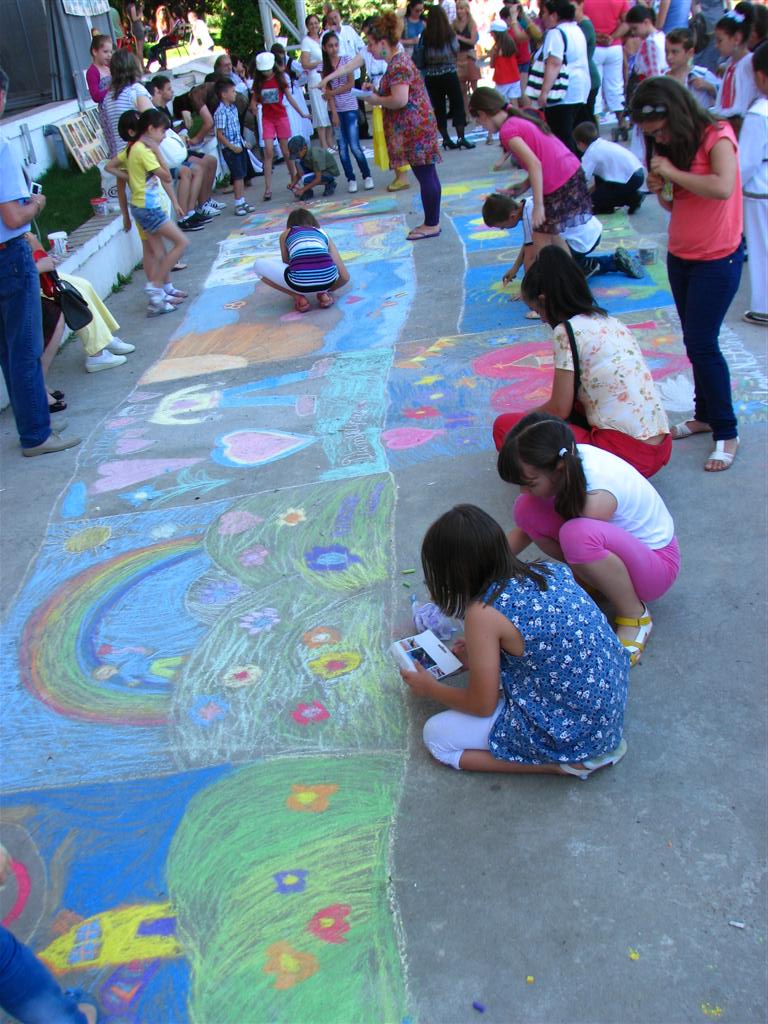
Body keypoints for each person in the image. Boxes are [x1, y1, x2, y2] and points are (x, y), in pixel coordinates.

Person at [401, 504, 630, 777]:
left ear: (453, 573)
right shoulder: (547, 570)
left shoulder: (482, 613)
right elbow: (540, 642)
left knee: (436, 737)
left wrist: (431, 689)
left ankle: (566, 765)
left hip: (575, 731)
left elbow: (482, 705)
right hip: (605, 707)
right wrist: (479, 656)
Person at [498, 413, 680, 665]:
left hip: (657, 569)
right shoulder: (568, 459)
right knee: (525, 508)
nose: (523, 490)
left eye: (530, 483)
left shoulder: (596, 496)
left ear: (558, 469)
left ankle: (635, 615)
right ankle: (596, 581)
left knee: (576, 536)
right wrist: (486, 562)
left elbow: (578, 536)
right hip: (629, 555)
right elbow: (526, 528)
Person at [631, 76, 743, 472]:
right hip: (681, 255)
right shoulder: (670, 147)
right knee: (694, 342)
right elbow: (673, 204)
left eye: (660, 130)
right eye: (651, 135)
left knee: (703, 343)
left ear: (676, 113)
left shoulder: (716, 134)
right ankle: (704, 415)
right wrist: (660, 186)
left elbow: (723, 187)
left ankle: (727, 430)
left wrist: (672, 173)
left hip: (718, 258)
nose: (657, 138)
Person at [493, 245, 671, 476]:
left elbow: (559, 408)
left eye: (536, 309)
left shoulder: (566, 331)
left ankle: (569, 485)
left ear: (544, 300)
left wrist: (524, 419)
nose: (541, 320)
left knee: (506, 427)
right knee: (575, 404)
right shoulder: (611, 322)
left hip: (625, 455)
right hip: (660, 449)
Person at [0, 68, 80, 457]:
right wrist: (37, 204)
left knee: (9, 349)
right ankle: (36, 433)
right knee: (25, 348)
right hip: (8, 255)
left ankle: (34, 422)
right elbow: (13, 216)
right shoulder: (1, 146)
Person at [469, 87, 592, 258]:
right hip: (569, 174)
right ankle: (571, 273)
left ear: (483, 114)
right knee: (552, 236)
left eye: (479, 122)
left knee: (541, 242)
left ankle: (551, 275)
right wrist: (523, 186)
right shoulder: (515, 119)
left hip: (560, 181)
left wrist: (538, 206)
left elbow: (534, 164)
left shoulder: (508, 130)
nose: (483, 126)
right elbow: (542, 159)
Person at [362, 13, 443, 241]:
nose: (369, 49)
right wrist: (377, 92)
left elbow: (400, 100)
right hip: (417, 127)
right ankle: (432, 222)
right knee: (427, 175)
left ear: (383, 43)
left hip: (415, 129)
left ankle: (432, 224)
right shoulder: (397, 62)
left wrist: (376, 100)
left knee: (426, 176)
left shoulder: (398, 64)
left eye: (371, 43)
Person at [483, 193, 645, 293]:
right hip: (590, 230)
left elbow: (530, 258)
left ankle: (603, 264)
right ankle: (589, 264)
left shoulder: (530, 214)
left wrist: (528, 290)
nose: (503, 229)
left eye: (502, 226)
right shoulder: (528, 204)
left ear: (512, 216)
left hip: (582, 240)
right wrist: (515, 268)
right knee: (546, 256)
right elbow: (528, 244)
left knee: (558, 274)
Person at [27, 233, 134, 373]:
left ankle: (104, 338)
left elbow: (37, 251)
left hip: (36, 277)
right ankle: (96, 354)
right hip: (25, 287)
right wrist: (40, 266)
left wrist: (36, 245)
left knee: (84, 285)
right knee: (73, 294)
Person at [117, 108, 189, 316]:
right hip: (148, 209)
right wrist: (157, 151)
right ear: (150, 129)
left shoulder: (134, 149)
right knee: (181, 242)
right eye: (162, 131)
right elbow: (166, 176)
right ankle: (156, 287)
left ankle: (157, 299)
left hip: (142, 207)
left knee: (159, 252)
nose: (164, 136)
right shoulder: (143, 150)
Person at [149, 75, 224, 224]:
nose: (172, 92)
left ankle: (204, 202)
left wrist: (182, 129)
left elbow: (169, 132)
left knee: (211, 161)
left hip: (177, 150)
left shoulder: (165, 109)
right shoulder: (154, 113)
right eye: (168, 89)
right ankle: (189, 212)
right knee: (196, 169)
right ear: (158, 91)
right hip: (170, 156)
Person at [253, 207, 350, 313]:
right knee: (323, 269)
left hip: (299, 284)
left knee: (258, 265)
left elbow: (286, 264)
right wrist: (326, 288)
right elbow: (345, 277)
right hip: (328, 280)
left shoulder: (286, 233)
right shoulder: (323, 233)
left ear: (290, 224)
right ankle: (323, 294)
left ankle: (298, 297)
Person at [531, 0, 591, 151]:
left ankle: (570, 165)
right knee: (575, 135)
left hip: (562, 92)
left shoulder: (555, 33)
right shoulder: (576, 29)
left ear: (554, 15)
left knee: (563, 138)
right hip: (580, 88)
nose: (542, 17)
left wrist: (544, 92)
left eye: (545, 13)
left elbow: (554, 63)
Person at [322, 31, 374, 192]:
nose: (334, 49)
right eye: (330, 46)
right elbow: (327, 92)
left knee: (354, 145)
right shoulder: (323, 66)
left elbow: (350, 84)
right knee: (342, 147)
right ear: (324, 48)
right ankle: (350, 178)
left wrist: (332, 92)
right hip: (335, 110)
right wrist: (334, 112)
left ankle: (367, 175)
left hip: (350, 107)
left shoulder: (346, 61)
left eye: (336, 45)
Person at [739, 39, 768, 326]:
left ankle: (765, 306)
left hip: (761, 189)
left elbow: (746, 162)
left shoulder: (759, 112)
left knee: (762, 249)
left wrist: (732, 185)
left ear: (760, 76)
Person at [421, 5, 475, 150]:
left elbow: (421, 53)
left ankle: (445, 138)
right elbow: (455, 48)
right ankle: (461, 137)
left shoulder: (425, 34)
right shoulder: (449, 32)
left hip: (432, 75)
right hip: (449, 72)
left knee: (439, 107)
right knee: (457, 104)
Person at [250, 51, 301, 202]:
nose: (266, 73)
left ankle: (294, 180)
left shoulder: (280, 79)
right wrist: (253, 106)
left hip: (281, 117)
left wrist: (302, 113)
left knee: (286, 152)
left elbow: (289, 98)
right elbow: (254, 99)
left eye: (267, 69)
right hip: (268, 119)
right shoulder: (258, 83)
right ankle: (267, 188)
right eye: (263, 70)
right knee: (268, 152)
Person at [574, 119, 645, 212]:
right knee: (597, 184)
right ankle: (630, 196)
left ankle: (632, 198)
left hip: (630, 178)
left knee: (593, 201)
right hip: (637, 173)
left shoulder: (591, 153)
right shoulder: (602, 143)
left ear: (580, 144)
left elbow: (581, 179)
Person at [711, 8, 759, 131]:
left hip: (741, 126)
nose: (716, 45)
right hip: (726, 124)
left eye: (720, 40)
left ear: (736, 38)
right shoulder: (729, 64)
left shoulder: (750, 64)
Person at [583, 0, 630, 124]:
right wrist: (612, 37)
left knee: (594, 88)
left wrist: (597, 37)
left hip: (593, 47)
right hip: (614, 47)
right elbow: (628, 22)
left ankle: (595, 125)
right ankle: (622, 122)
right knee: (615, 87)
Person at [214, 77, 255, 216]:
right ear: (224, 94)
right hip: (231, 149)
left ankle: (242, 201)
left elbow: (237, 129)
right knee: (237, 176)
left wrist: (243, 142)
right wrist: (231, 147)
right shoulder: (221, 112)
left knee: (242, 175)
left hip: (239, 145)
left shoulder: (233, 108)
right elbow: (220, 134)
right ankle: (238, 203)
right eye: (232, 91)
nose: (235, 94)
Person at [101, 49, 153, 157]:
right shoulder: (135, 90)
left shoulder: (107, 98)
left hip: (121, 156)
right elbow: (154, 122)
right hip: (141, 154)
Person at [301, 13, 334, 151]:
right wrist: (320, 62)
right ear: (307, 26)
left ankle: (330, 142)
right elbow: (304, 63)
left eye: (316, 23)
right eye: (311, 24)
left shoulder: (323, 37)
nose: (314, 26)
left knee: (329, 109)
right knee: (320, 113)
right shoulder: (306, 42)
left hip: (327, 76)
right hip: (315, 78)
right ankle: (324, 145)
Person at [665, 27, 719, 109]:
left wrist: (710, 87)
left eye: (674, 52)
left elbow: (725, 96)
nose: (669, 57)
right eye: (666, 52)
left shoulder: (703, 75)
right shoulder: (661, 78)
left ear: (690, 53)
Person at [287, 134, 340, 198]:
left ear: (304, 148)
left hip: (330, 172)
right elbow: (299, 173)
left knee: (305, 179)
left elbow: (318, 179)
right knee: (299, 164)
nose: (296, 156)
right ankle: (308, 191)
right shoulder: (304, 155)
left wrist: (302, 190)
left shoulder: (316, 155)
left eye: (297, 154)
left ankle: (330, 183)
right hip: (319, 170)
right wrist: (293, 183)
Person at [573, 0, 600, 124]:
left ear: (581, 5)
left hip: (588, 78)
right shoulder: (578, 24)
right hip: (585, 77)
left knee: (586, 119)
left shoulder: (584, 25)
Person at [625, 6, 669, 81]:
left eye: (635, 28)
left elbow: (653, 72)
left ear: (646, 22)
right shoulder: (661, 36)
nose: (633, 33)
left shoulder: (650, 42)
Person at [453, 0, 480, 118]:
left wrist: (459, 37)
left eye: (462, 8)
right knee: (462, 88)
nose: (459, 11)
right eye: (458, 8)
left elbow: (472, 41)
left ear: (467, 9)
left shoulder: (472, 23)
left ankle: (479, 110)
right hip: (458, 56)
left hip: (470, 55)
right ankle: (467, 113)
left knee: (474, 86)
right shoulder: (454, 24)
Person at [489, 18, 521, 108]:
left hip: (502, 79)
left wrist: (491, 56)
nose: (491, 35)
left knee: (499, 103)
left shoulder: (496, 48)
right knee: (514, 103)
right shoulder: (511, 43)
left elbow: (492, 65)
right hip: (514, 78)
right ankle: (517, 116)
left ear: (496, 33)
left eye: (492, 33)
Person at [86, 33, 113, 106]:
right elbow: (96, 97)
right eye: (105, 51)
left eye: (110, 52)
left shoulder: (110, 67)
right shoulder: (92, 72)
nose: (109, 55)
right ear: (95, 52)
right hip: (106, 108)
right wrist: (111, 88)